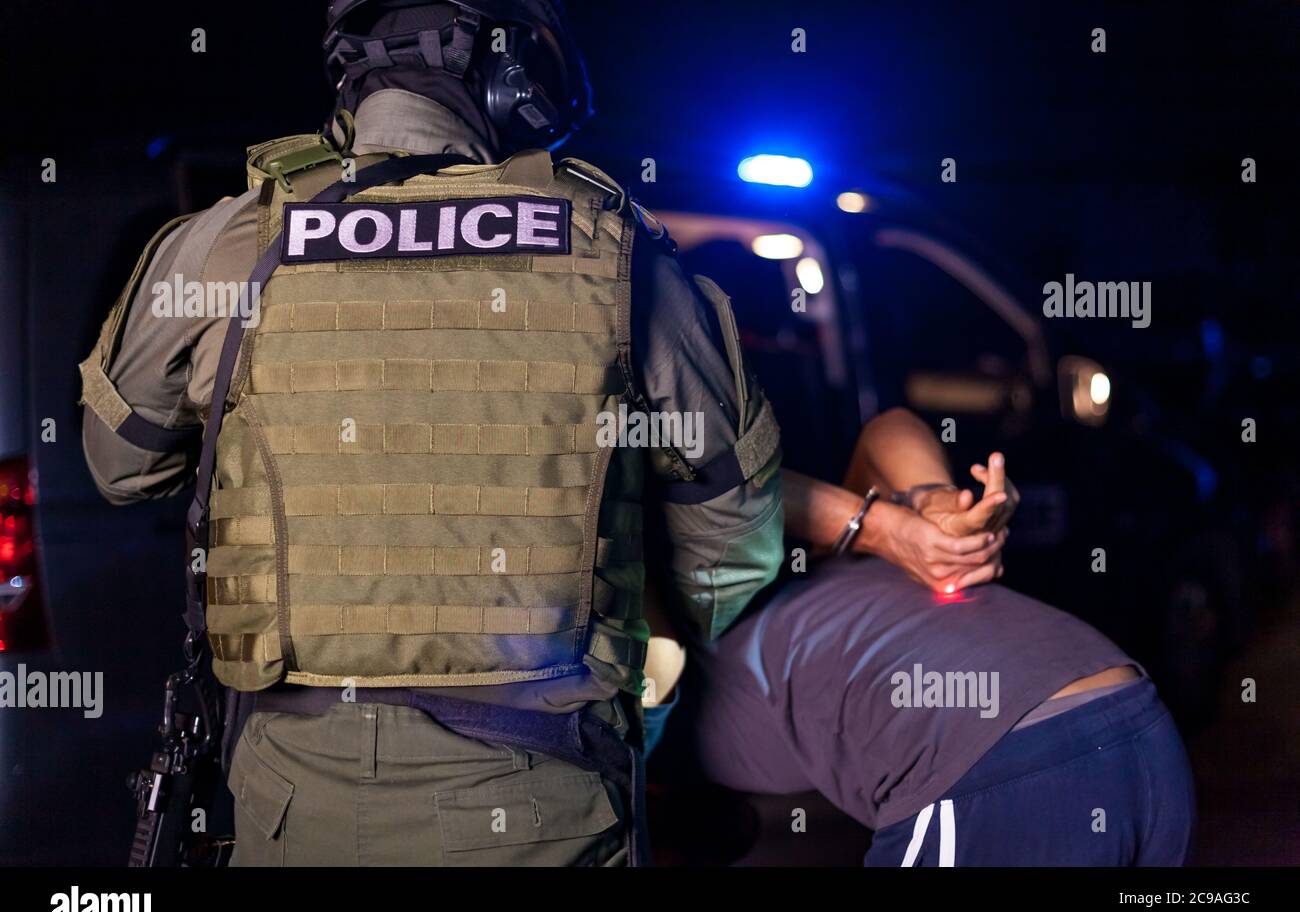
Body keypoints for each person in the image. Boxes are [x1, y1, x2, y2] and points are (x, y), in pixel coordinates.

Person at [79, 0, 783, 866]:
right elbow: (738, 542)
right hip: (539, 806)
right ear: (508, 77)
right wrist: (653, 646)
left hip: (291, 810)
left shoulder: (229, 242)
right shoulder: (615, 251)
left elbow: (117, 466)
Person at [650, 407, 1196, 866]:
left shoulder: (655, 693)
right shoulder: (827, 570)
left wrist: (925, 507)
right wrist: (915, 511)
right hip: (1142, 728)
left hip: (1002, 770)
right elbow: (884, 431)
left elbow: (701, 491)